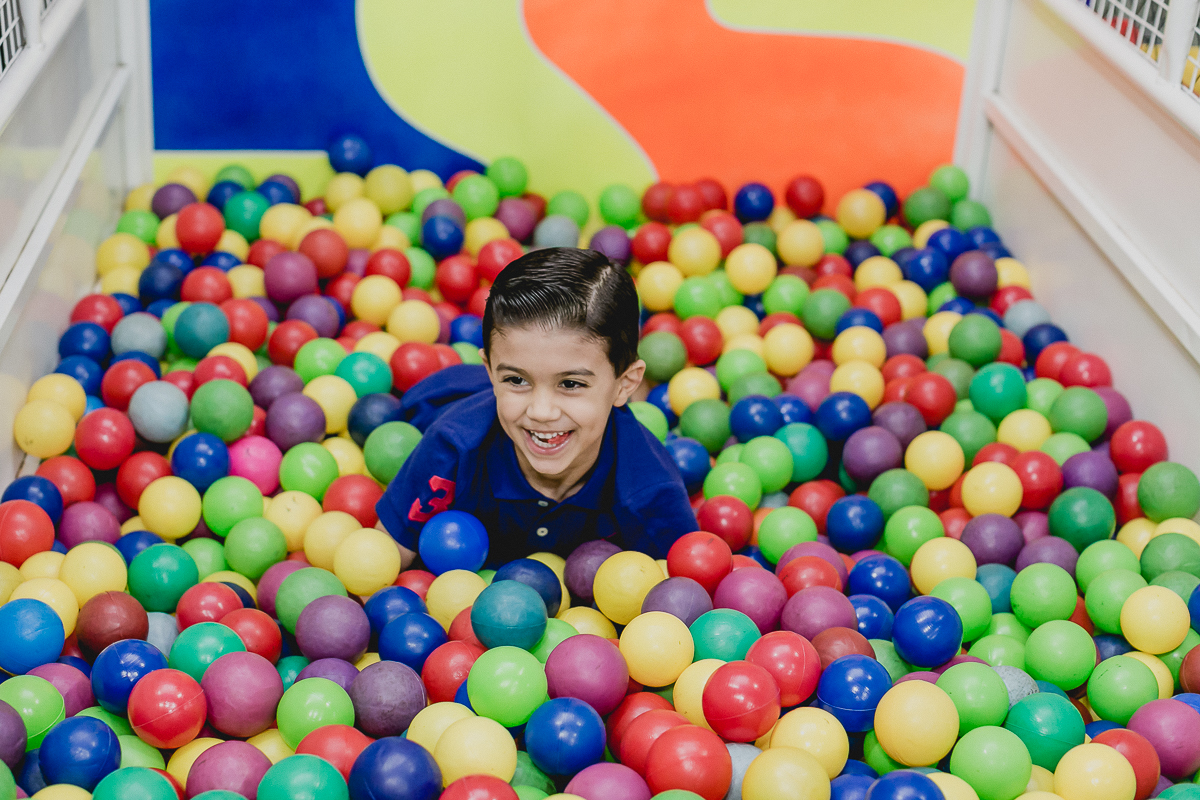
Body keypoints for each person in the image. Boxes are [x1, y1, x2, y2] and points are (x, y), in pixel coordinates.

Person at [375, 247, 698, 569]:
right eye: (516, 379)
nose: (542, 411)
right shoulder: (453, 447)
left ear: (624, 384)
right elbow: (379, 567)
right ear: (490, 370)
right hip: (444, 397)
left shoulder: (649, 489)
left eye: (571, 384)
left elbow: (683, 591)